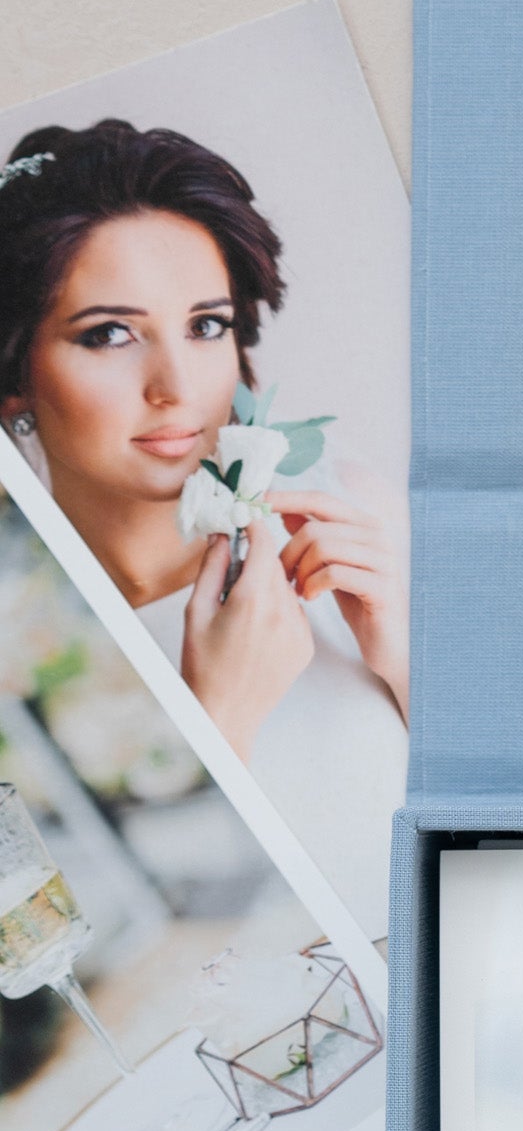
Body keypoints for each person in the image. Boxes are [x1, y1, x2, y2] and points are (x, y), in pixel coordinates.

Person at [0, 119, 407, 936]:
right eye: (109, 333)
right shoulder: (32, 665)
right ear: (16, 383)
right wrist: (216, 720)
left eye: (206, 324)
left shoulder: (346, 510)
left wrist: (406, 655)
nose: (177, 385)